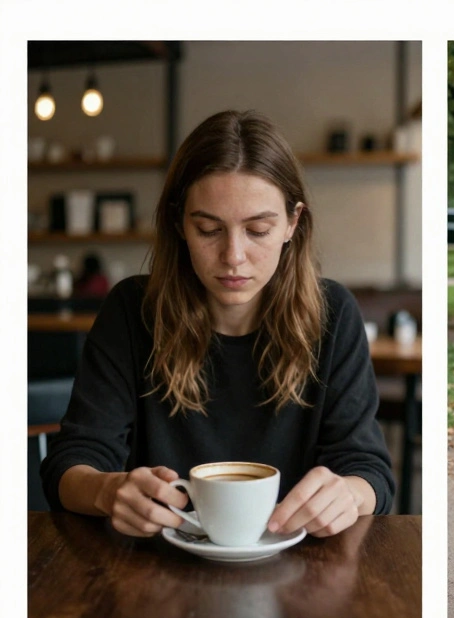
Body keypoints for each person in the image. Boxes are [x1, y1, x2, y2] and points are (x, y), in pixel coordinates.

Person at [42, 110, 395, 539]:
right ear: (179, 223)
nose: (233, 256)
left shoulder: (334, 313)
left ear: (292, 223)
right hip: (154, 567)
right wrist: (107, 490)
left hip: (297, 569)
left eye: (258, 230)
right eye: (209, 229)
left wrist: (350, 494)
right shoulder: (132, 310)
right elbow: (71, 462)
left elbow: (368, 470)